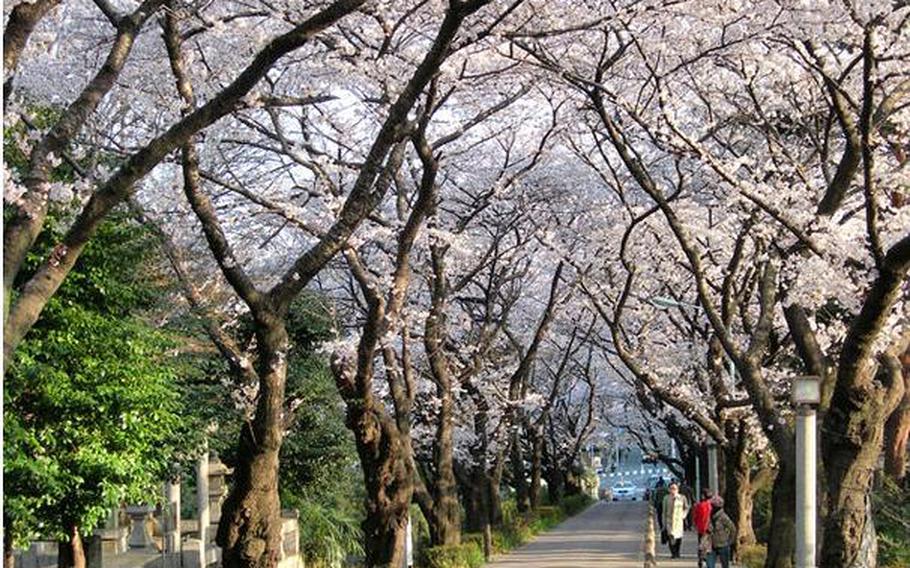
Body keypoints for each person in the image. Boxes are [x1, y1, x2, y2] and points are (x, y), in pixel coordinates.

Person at [661, 481, 690, 558]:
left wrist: (683, 515)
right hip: (669, 521)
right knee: (671, 537)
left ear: (678, 489)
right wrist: (663, 523)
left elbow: (686, 507)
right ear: (669, 489)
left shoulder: (682, 498)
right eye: (671, 488)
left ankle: (677, 552)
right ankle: (673, 553)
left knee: (678, 538)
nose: (673, 490)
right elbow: (664, 511)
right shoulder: (666, 498)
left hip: (678, 521)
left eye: (675, 488)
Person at [706, 496, 736, 568]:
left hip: (723, 544)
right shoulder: (710, 515)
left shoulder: (723, 517)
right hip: (711, 544)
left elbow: (732, 529)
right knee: (709, 565)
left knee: (725, 565)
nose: (711, 507)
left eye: (712, 505)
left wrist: (729, 541)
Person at [693, 489, 714, 568]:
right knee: (709, 544)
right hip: (709, 528)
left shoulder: (699, 505)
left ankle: (701, 558)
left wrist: (695, 525)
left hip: (701, 528)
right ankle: (706, 558)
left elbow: (696, 517)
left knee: (701, 543)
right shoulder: (711, 506)